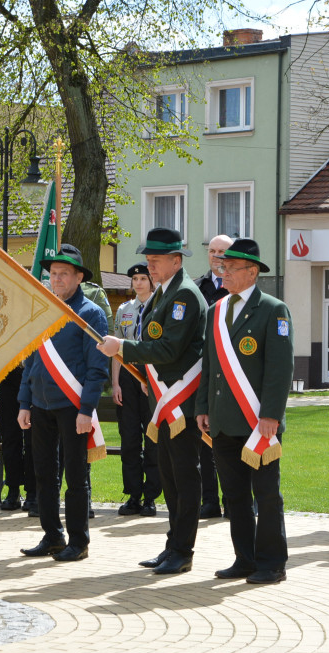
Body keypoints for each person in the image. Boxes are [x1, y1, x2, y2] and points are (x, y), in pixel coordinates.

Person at [98, 227, 207, 575]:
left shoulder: (184, 296)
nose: (151, 266)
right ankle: (173, 544)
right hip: (165, 397)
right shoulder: (164, 293)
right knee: (170, 477)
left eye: (157, 261)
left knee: (184, 477)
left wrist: (124, 348)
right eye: (148, 260)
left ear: (176, 260)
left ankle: (183, 550)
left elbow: (169, 348)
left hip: (182, 401)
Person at [195, 238, 292, 585]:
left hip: (258, 422)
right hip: (223, 419)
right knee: (234, 494)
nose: (222, 273)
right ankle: (244, 558)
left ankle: (271, 562)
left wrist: (270, 415)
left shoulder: (273, 309)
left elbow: (279, 368)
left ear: (251, 272)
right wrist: (203, 407)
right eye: (221, 266)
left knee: (265, 495)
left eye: (230, 267)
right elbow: (210, 364)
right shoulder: (217, 311)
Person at [18, 245, 108, 562]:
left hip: (72, 408)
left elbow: (97, 369)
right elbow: (31, 363)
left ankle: (78, 541)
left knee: (75, 477)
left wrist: (86, 411)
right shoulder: (44, 311)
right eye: (53, 274)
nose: (56, 279)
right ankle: (53, 536)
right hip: (41, 404)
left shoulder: (90, 314)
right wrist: (24, 403)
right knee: (43, 474)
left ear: (79, 277)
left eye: (63, 274)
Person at [112, 262, 159, 517]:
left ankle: (151, 497)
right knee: (129, 438)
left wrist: (148, 377)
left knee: (152, 439)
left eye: (143, 278)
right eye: (135, 279)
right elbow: (117, 350)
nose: (139, 283)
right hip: (128, 376)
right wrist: (116, 382)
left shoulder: (159, 307)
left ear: (152, 281)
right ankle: (133, 495)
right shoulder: (124, 310)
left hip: (151, 377)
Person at [194, 234, 233, 519]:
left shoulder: (239, 289)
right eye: (212, 250)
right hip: (203, 376)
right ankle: (209, 500)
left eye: (222, 252)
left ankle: (235, 501)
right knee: (204, 441)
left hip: (234, 377)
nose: (217, 256)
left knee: (234, 440)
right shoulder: (197, 289)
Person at [0, 366, 34, 511]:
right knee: (10, 439)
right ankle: (13, 490)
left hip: (34, 377)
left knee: (33, 441)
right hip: (8, 376)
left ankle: (32, 492)